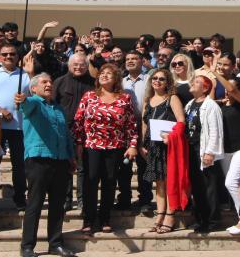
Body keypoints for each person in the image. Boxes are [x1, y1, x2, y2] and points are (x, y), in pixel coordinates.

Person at [17, 71, 77, 257]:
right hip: (38, 159)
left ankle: (55, 244)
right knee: (34, 203)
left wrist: (71, 157)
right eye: (44, 82)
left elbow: (66, 135)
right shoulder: (34, 102)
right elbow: (25, 105)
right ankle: (27, 246)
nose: (49, 84)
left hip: (60, 160)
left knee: (58, 205)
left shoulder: (58, 108)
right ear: (34, 88)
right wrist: (22, 99)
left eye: (50, 81)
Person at [73, 63, 138, 233]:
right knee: (90, 180)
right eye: (102, 73)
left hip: (115, 146)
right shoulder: (89, 96)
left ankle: (105, 219)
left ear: (116, 78)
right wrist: (79, 143)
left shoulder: (125, 98)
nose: (105, 75)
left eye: (109, 73)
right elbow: (78, 121)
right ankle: (88, 219)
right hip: (91, 146)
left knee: (109, 182)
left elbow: (131, 124)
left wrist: (132, 145)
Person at [0, 42, 31, 209]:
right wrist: (0, 110)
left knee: (20, 165)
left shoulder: (26, 75)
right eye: (5, 54)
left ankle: (20, 198)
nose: (9, 56)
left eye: (12, 54)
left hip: (20, 127)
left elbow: (35, 96)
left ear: (18, 57)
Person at [211, 53, 240, 236]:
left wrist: (215, 71)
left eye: (225, 64)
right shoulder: (222, 105)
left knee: (231, 182)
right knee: (234, 184)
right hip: (226, 149)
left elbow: (231, 88)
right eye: (220, 64)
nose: (229, 91)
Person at [139, 67, 186, 234]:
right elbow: (144, 124)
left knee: (170, 181)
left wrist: (170, 136)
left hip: (168, 146)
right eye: (154, 78)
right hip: (152, 147)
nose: (157, 81)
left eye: (161, 79)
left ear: (168, 82)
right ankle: (160, 214)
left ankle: (170, 214)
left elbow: (181, 121)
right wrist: (142, 144)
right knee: (159, 182)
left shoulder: (172, 98)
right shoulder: (147, 100)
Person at [53, 53, 95, 209]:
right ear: (69, 66)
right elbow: (52, 104)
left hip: (88, 131)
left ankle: (82, 199)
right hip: (65, 130)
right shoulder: (60, 82)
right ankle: (66, 198)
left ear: (87, 65)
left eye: (82, 64)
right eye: (75, 64)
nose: (79, 67)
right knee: (66, 165)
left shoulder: (94, 83)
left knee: (84, 166)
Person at [183, 75, 224, 234]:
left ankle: (212, 220)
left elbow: (215, 130)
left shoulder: (211, 105)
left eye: (197, 82)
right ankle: (201, 218)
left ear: (205, 88)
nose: (192, 83)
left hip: (204, 150)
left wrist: (210, 152)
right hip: (192, 150)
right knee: (198, 187)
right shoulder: (190, 104)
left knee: (209, 188)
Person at [121, 50, 150, 210]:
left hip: (145, 126)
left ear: (142, 61)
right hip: (125, 129)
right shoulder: (120, 82)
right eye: (128, 59)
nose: (130, 61)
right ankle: (124, 198)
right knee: (124, 166)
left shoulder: (149, 80)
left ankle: (145, 200)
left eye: (134, 58)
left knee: (144, 164)